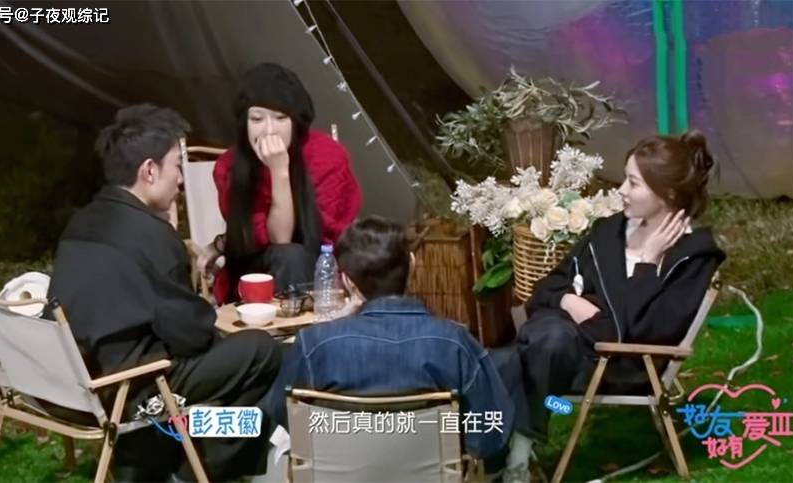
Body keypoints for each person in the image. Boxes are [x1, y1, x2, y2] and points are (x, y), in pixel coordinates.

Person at [47, 104, 282, 481]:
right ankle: (196, 466)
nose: (181, 179)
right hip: (134, 387)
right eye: (176, 165)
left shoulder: (83, 220)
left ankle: (178, 452)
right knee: (262, 350)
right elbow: (193, 334)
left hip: (75, 382)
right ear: (149, 171)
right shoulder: (152, 237)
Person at [263, 215, 533, 480]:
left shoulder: (314, 345)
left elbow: (286, 419)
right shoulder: (454, 343)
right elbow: (489, 435)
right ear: (412, 265)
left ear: (348, 282)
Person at [514, 130, 726, 451]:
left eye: (633, 183)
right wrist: (571, 301)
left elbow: (644, 332)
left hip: (617, 366)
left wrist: (647, 263)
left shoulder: (692, 257)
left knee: (534, 350)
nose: (621, 190)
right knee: (506, 358)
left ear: (667, 193)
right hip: (564, 345)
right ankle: (500, 454)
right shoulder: (610, 232)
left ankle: (516, 452)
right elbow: (546, 289)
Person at [198, 62, 362, 304]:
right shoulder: (230, 166)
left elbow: (326, 238)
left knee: (292, 257)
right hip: (255, 274)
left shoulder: (327, 157)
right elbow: (269, 238)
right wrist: (279, 171)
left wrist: (279, 170)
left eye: (280, 118)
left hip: (320, 272)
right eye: (257, 119)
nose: (268, 130)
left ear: (296, 122)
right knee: (289, 256)